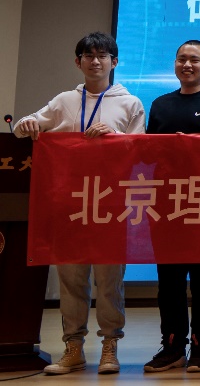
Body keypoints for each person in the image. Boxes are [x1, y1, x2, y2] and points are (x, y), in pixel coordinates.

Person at [15, 31, 145, 376]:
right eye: (89, 56)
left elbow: (140, 150)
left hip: (112, 204)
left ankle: (110, 346)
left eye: (102, 56)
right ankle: (73, 347)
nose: (95, 61)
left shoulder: (131, 104)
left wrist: (115, 138)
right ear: (78, 62)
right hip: (70, 202)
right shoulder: (63, 101)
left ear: (114, 62)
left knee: (109, 280)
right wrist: (27, 123)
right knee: (72, 278)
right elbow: (23, 129)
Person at [143, 40, 200, 373]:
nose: (187, 64)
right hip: (165, 202)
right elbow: (148, 153)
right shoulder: (160, 104)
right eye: (181, 59)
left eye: (194, 60)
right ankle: (172, 346)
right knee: (168, 279)